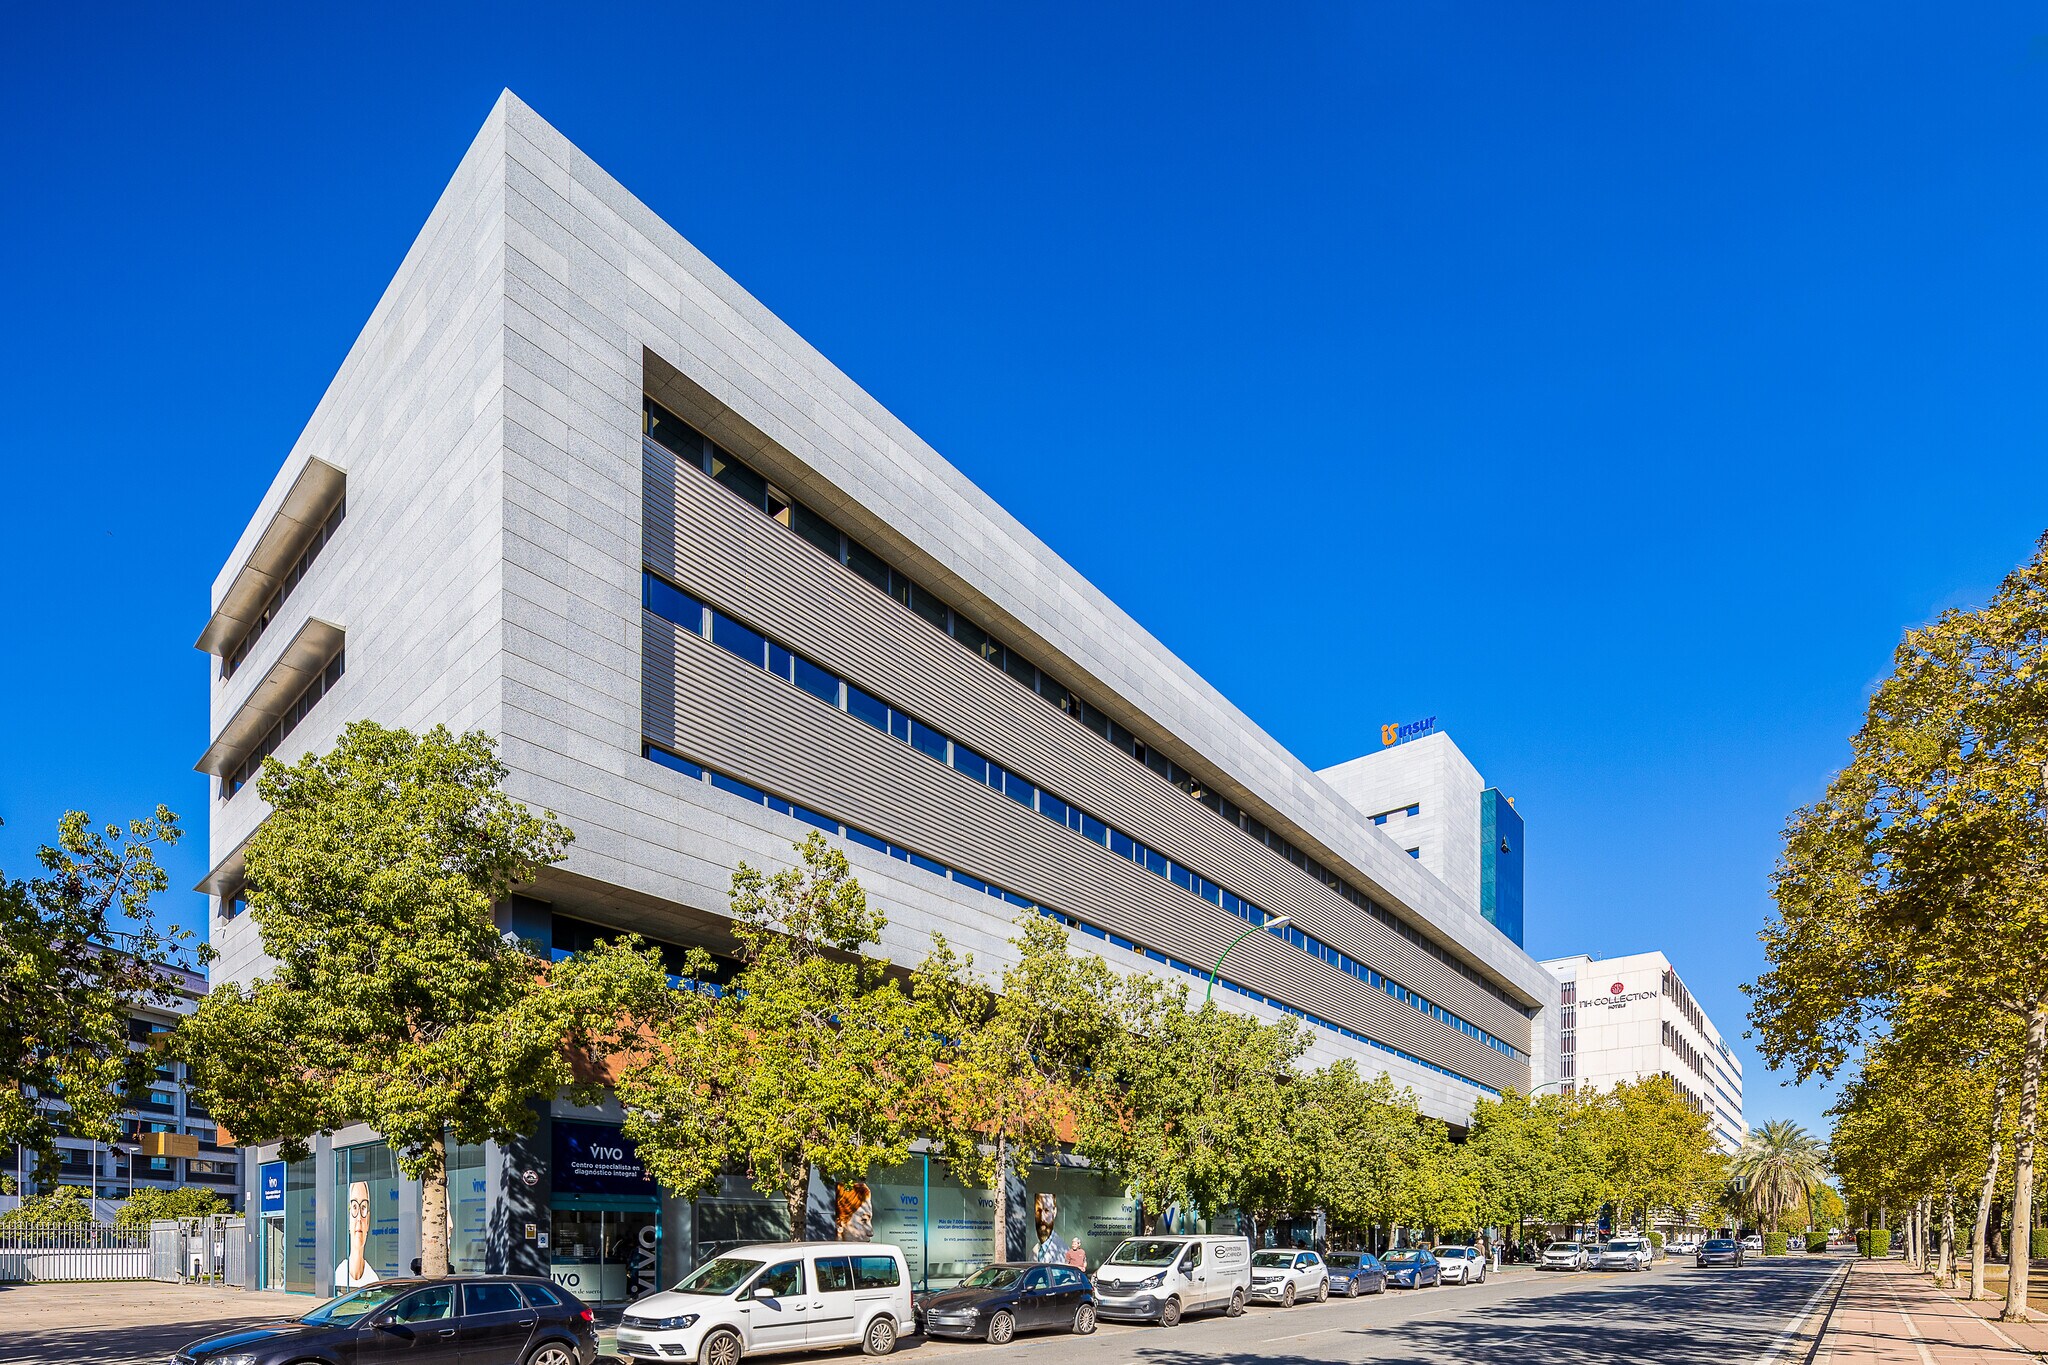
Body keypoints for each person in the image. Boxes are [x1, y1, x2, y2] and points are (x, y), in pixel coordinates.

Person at [334, 1180, 379, 1287]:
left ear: (368, 1220)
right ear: (348, 1219)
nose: (359, 1218)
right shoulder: (338, 1276)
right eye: (354, 1207)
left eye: (363, 1207)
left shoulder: (373, 1280)